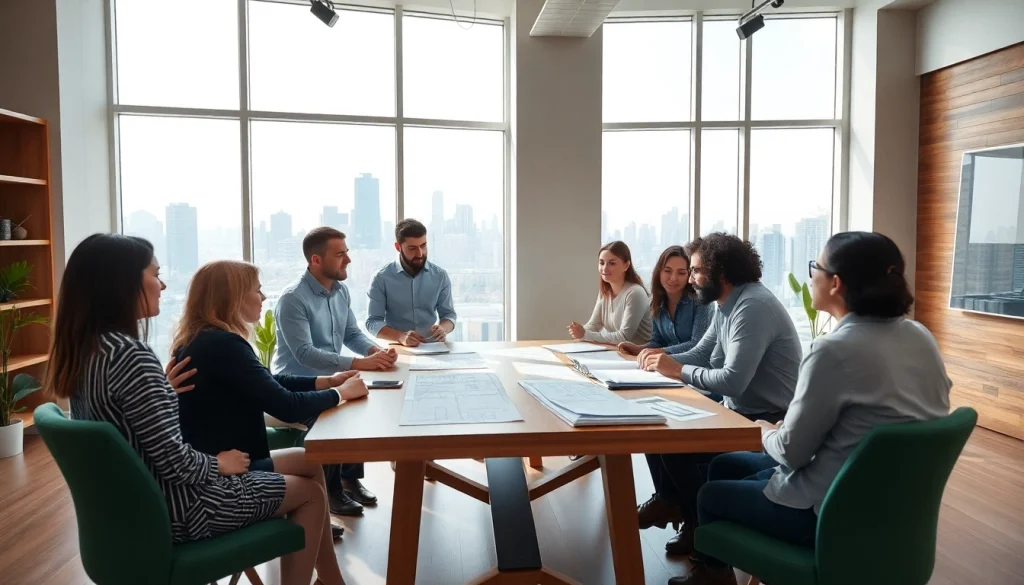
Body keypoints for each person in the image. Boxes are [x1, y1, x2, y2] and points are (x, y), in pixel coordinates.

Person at [45, 234, 344, 585]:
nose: (163, 284)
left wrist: (162, 393)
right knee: (309, 494)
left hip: (139, 510)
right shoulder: (131, 356)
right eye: (155, 274)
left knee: (310, 466)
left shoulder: (91, 353)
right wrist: (219, 463)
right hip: (184, 508)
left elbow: (134, 436)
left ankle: (331, 580)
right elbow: (174, 462)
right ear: (122, 283)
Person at [669, 231, 953, 585]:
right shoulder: (921, 337)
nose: (811, 275)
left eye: (814, 266)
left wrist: (765, 431)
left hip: (829, 511)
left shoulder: (833, 350)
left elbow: (791, 452)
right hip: (889, 509)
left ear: (835, 283)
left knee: (710, 495)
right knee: (727, 464)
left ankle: (716, 577)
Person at [173, 260, 370, 545]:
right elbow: (285, 405)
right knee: (311, 491)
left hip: (226, 459)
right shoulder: (224, 345)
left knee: (309, 462)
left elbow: (268, 380)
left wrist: (326, 382)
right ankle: (317, 542)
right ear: (234, 298)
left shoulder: (203, 340)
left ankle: (327, 567)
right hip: (231, 470)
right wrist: (341, 394)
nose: (264, 297)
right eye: (258, 290)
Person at [638, 233, 802, 556]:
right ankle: (681, 511)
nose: (692, 279)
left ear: (720, 272)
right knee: (655, 427)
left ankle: (701, 531)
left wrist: (677, 370)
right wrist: (659, 362)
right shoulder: (727, 303)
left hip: (765, 420)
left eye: (697, 271)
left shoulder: (752, 307)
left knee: (675, 447)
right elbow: (701, 353)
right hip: (737, 411)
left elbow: (732, 381)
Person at [274, 227, 397, 517]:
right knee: (337, 414)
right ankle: (332, 492)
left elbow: (352, 333)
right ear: (316, 260)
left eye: (347, 253)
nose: (348, 261)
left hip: (331, 377)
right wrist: (356, 365)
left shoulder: (340, 291)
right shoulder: (293, 299)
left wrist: (374, 353)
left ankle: (348, 479)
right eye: (340, 255)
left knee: (361, 404)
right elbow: (304, 354)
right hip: (298, 384)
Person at [367, 218, 457, 346]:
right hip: (397, 347)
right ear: (398, 247)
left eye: (423, 245)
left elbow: (449, 315)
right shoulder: (381, 278)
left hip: (433, 346)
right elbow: (373, 322)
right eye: (412, 248)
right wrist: (400, 337)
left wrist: (443, 328)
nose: (420, 253)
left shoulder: (440, 276)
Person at [618, 244, 715, 358]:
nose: (673, 278)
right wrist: (638, 349)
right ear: (659, 272)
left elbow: (697, 345)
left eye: (681, 273)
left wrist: (659, 352)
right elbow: (657, 341)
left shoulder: (700, 301)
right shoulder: (656, 301)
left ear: (689, 275)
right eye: (667, 271)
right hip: (667, 366)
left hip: (696, 368)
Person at [568, 240, 653, 345]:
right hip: (616, 351)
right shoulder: (605, 291)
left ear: (626, 266)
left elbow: (624, 337)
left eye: (612, 263)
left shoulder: (635, 293)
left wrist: (585, 334)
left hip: (638, 355)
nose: (604, 268)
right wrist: (579, 331)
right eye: (601, 262)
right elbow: (594, 325)